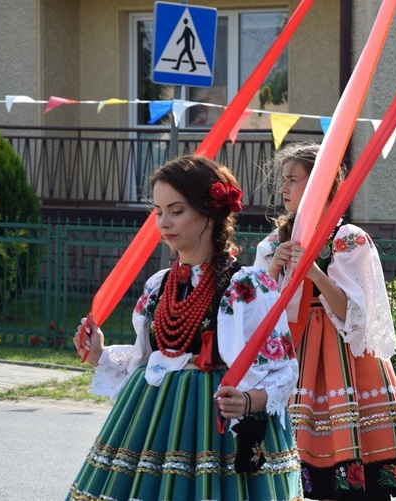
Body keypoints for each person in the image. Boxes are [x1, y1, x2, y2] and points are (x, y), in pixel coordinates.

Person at [68, 156, 302, 501]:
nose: (164, 222)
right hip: (153, 423)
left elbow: (284, 370)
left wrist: (250, 400)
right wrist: (101, 354)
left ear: (210, 212)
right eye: (158, 211)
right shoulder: (158, 285)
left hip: (217, 428)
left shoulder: (247, 286)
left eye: (176, 210)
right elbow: (153, 360)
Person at [254, 142, 396, 500]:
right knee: (290, 473)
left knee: (355, 469)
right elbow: (256, 309)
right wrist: (274, 268)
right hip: (295, 356)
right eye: (283, 180)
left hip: (344, 357)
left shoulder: (348, 239)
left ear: (321, 185)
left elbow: (355, 315)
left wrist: (314, 272)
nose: (282, 189)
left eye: (292, 180)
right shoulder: (274, 243)